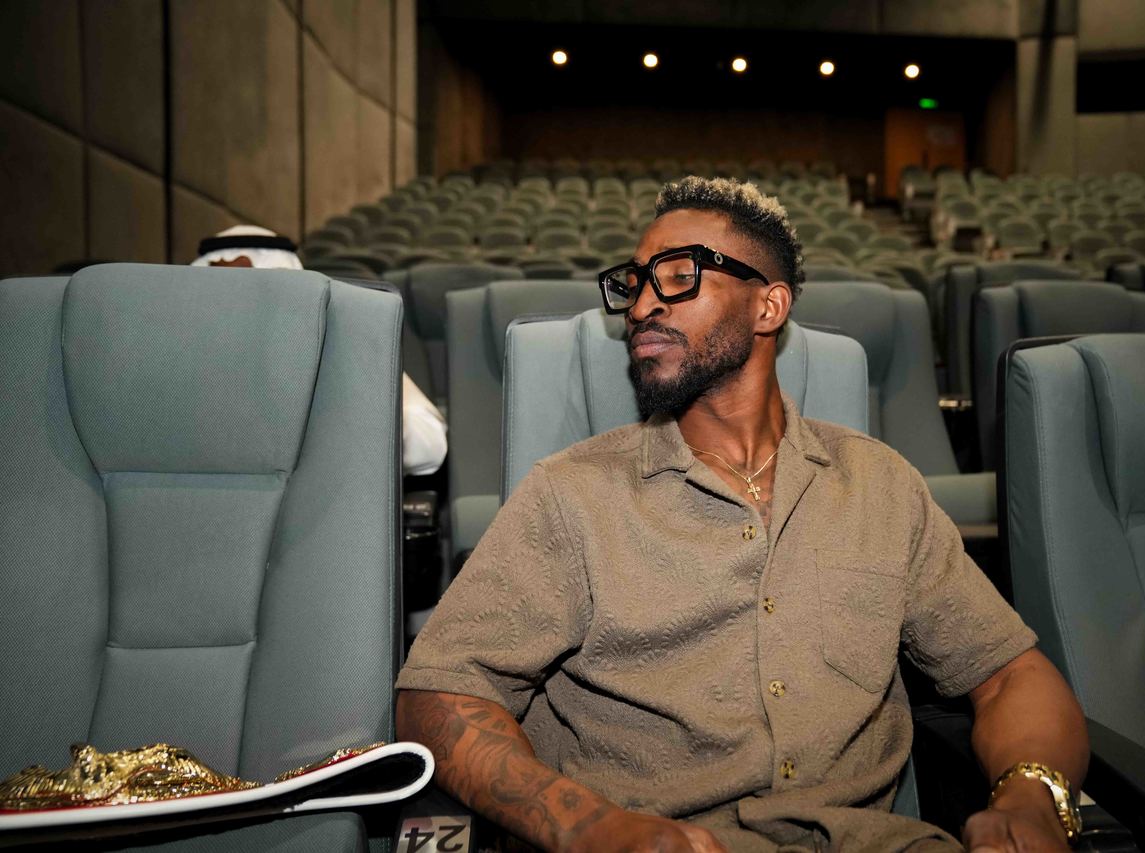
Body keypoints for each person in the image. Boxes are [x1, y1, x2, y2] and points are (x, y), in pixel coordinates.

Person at [395, 178, 1087, 852]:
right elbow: (437, 696)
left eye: (677, 276)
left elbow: (1010, 674)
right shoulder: (573, 494)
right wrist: (586, 825)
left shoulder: (881, 486)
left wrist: (1031, 798)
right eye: (634, 284)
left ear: (768, 307)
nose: (641, 307)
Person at [193, 225, 447, 476]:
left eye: (246, 285)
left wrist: (355, 417)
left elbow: (429, 444)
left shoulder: (340, 345)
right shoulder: (189, 358)